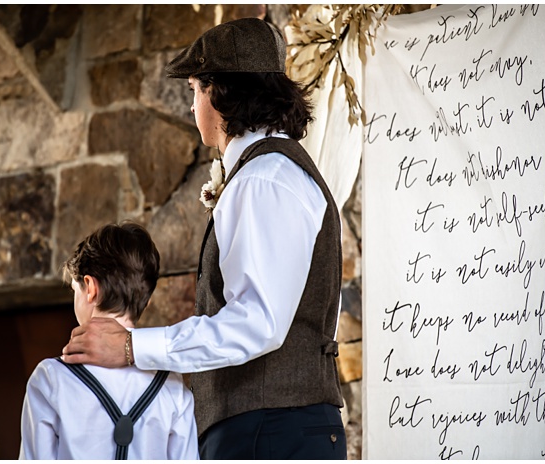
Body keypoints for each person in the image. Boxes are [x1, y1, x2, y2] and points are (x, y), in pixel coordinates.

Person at [60, 18, 347, 459]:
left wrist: (134, 347)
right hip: (268, 426)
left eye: (194, 90)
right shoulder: (264, 174)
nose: (192, 107)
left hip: (270, 432)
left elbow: (257, 323)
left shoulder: (264, 180)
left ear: (221, 93)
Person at [20, 223, 198, 459]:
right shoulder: (173, 387)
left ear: (90, 288)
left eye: (76, 289)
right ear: (145, 300)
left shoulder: (51, 378)